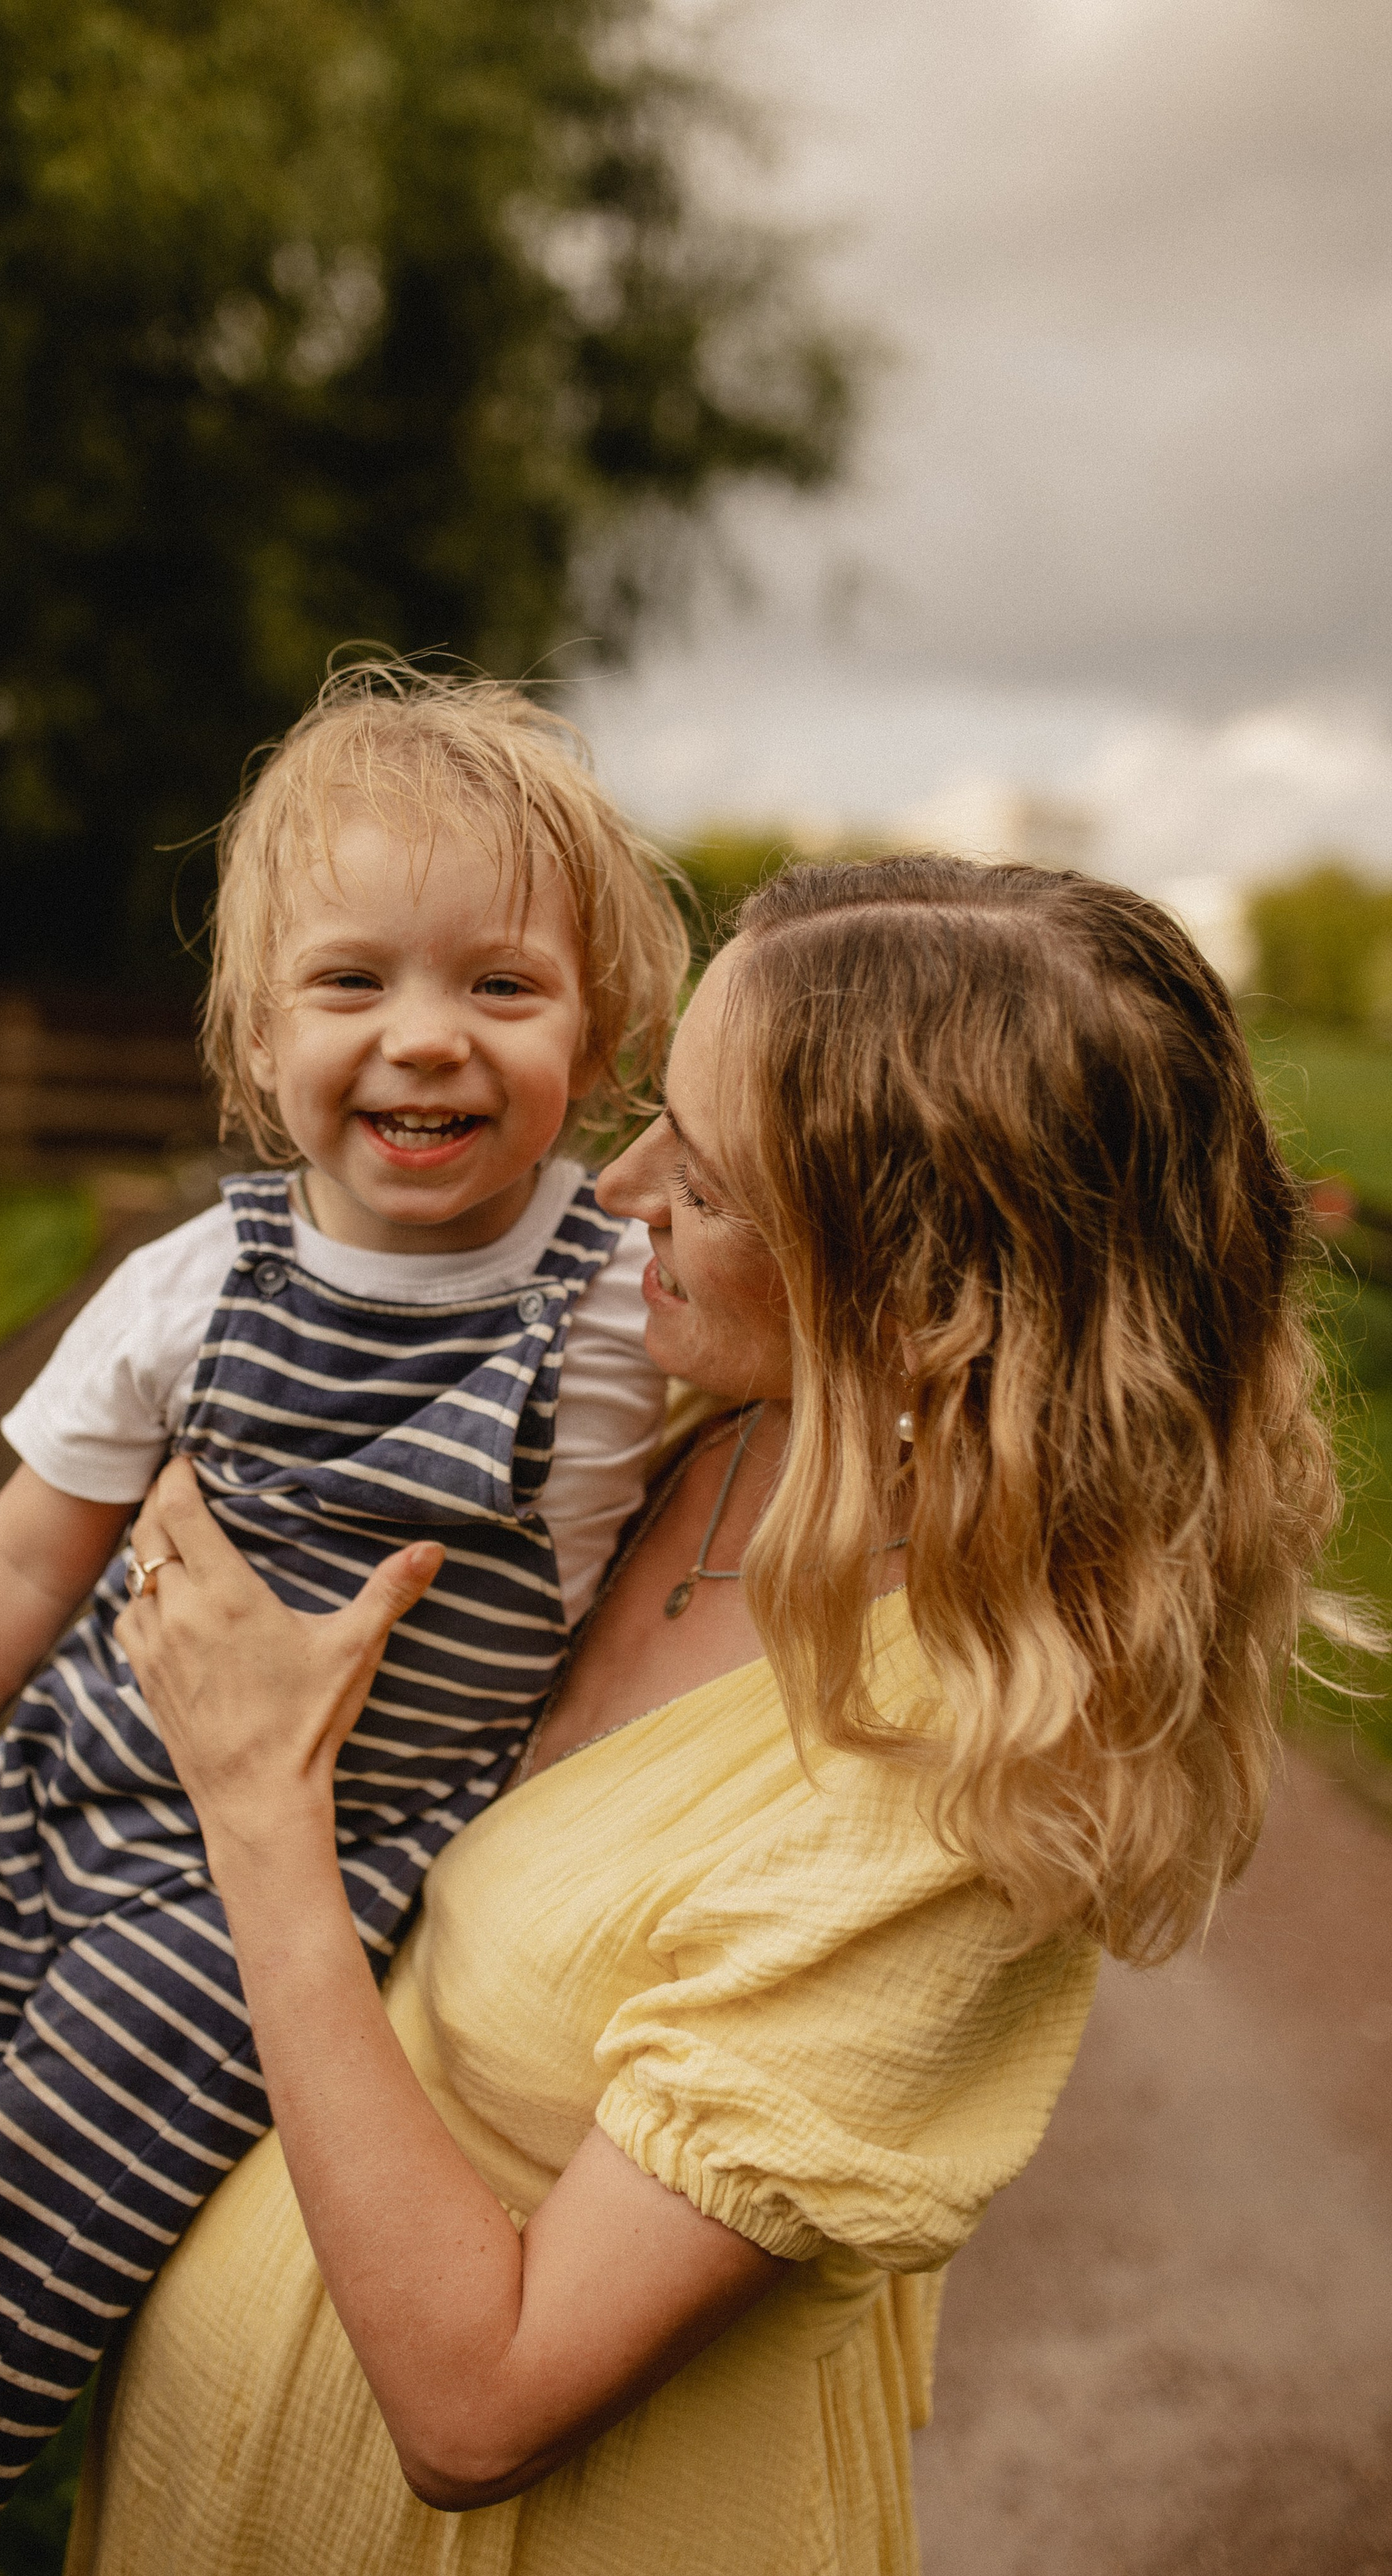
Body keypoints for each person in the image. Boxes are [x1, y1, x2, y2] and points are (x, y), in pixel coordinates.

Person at [70, 855, 1338, 2576]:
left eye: (715, 1183)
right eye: (654, 1117)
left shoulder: (968, 1789)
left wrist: (259, 1807)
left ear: (927, 1289)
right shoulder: (702, 1427)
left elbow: (480, 2407)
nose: (617, 1194)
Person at [0, 664, 691, 2575]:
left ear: (596, 1042)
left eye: (499, 986)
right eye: (355, 982)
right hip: (59, 1794)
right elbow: (19, 1558)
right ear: (260, 1038)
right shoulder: (195, 1281)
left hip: (286, 1880)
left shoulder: (622, 1312)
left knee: (30, 2208)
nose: (425, 1041)